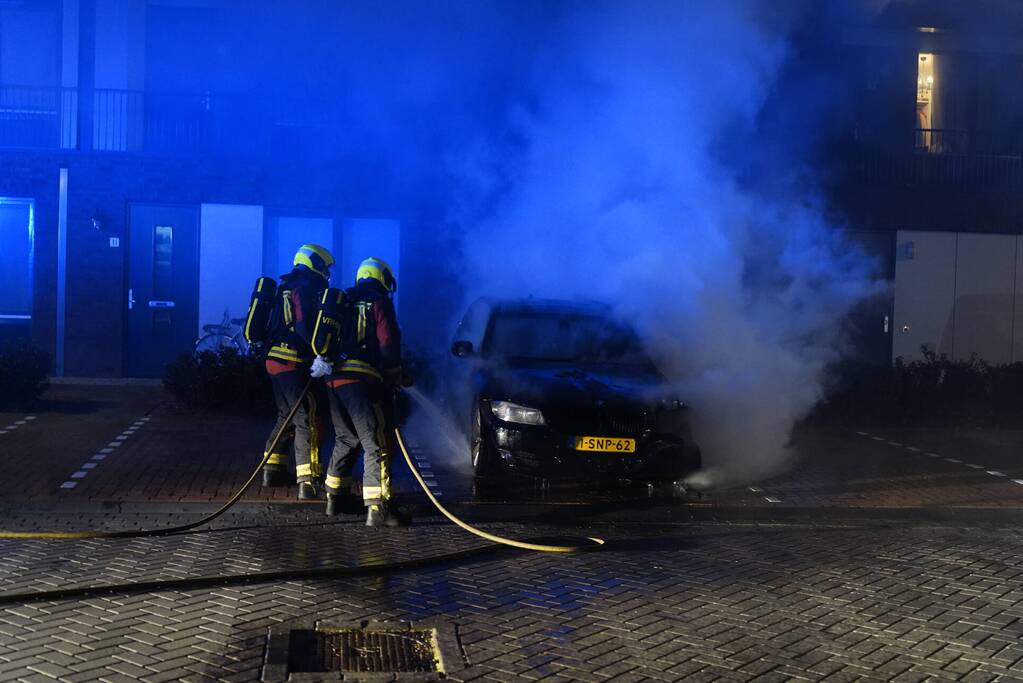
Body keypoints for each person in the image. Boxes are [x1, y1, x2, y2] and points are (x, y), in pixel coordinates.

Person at [317, 256, 411, 526]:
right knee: (377, 445)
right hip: (362, 384)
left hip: (333, 381)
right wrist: (395, 373)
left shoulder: (344, 301)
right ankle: (378, 508)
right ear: (382, 278)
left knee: (346, 438)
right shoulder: (379, 303)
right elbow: (388, 342)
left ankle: (335, 499)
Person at [262, 244, 334, 500]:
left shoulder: (286, 285)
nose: (327, 273)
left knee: (286, 415)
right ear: (314, 263)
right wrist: (319, 354)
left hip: (274, 360)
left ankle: (272, 469)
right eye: (325, 266)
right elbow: (303, 326)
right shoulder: (303, 288)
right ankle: (308, 479)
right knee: (308, 420)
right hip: (292, 361)